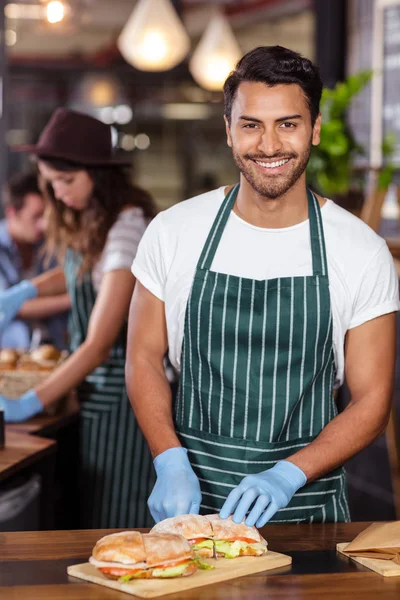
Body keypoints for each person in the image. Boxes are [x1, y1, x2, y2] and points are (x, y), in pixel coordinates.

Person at [126, 46, 399, 526]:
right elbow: (143, 357)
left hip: (308, 511)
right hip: (190, 512)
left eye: (287, 124)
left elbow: (373, 400)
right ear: (228, 130)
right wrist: (168, 459)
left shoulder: (360, 250)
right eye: (251, 124)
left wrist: (289, 475)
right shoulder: (174, 232)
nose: (269, 145)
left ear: (313, 129)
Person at [0, 108, 156, 528]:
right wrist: (24, 291)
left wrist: (31, 401)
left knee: (118, 519)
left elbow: (98, 343)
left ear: (98, 173)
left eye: (67, 181)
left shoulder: (127, 228)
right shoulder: (96, 220)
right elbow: (79, 271)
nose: (59, 192)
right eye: (52, 183)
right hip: (95, 395)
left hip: (123, 399)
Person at [0, 172, 70, 349]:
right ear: (12, 212)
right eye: (36, 216)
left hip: (53, 347)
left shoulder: (48, 244)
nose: (43, 224)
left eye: (46, 215)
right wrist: (71, 299)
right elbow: (12, 307)